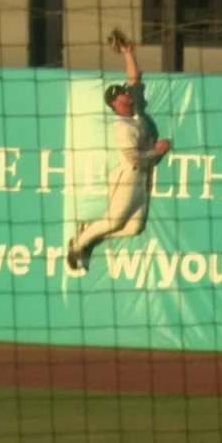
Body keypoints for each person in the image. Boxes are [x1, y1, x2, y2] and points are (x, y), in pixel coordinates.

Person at [66, 37, 172, 272]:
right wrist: (157, 151)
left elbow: (134, 79)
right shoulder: (121, 127)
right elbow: (134, 158)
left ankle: (90, 237)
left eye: (126, 93)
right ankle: (77, 246)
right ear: (114, 103)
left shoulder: (136, 113)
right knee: (114, 221)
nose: (127, 95)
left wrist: (127, 53)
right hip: (127, 176)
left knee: (134, 228)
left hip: (142, 179)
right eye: (122, 95)